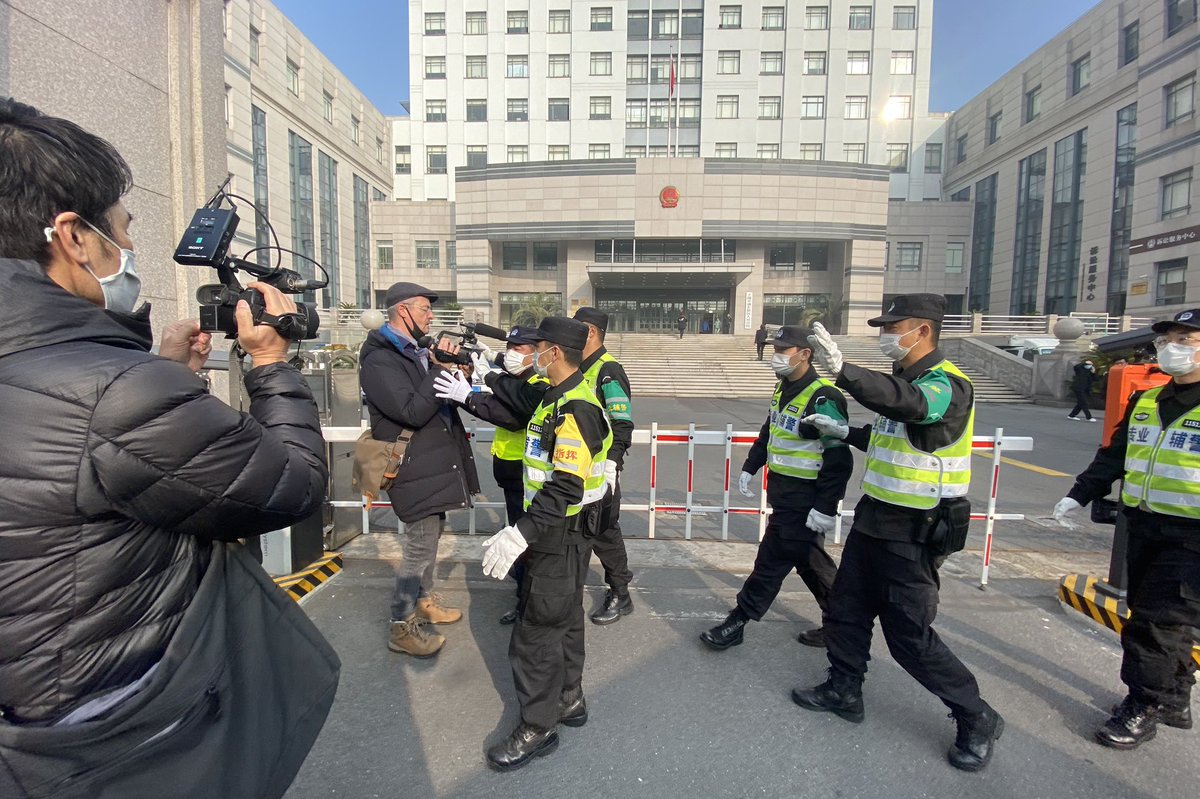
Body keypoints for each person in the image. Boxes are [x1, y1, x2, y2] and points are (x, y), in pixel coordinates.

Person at [0, 98, 332, 795]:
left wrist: (160, 373)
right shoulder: (114, 392)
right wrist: (270, 363)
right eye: (122, 231)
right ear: (72, 236)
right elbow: (293, 484)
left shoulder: (74, 378)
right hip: (122, 723)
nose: (127, 252)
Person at [798, 293, 1003, 773]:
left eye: (893, 327)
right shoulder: (907, 381)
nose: (886, 336)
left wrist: (845, 371)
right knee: (846, 611)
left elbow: (914, 408)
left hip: (916, 528)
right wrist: (845, 433)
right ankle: (844, 689)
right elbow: (894, 436)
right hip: (875, 518)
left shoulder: (947, 384)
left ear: (923, 330)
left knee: (909, 635)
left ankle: (976, 716)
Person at [441, 318, 612, 771]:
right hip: (562, 530)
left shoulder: (574, 407)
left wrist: (521, 533)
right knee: (565, 617)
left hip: (558, 532)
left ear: (553, 352)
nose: (529, 354)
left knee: (535, 632)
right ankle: (569, 698)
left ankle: (538, 726)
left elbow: (566, 486)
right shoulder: (556, 396)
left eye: (537, 347)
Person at [1053, 308, 1200, 751]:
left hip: (1194, 537)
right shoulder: (1148, 401)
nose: (1172, 348)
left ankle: (1143, 705)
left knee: (1155, 622)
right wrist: (1079, 494)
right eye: (1167, 340)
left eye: (1185, 339)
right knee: (1165, 619)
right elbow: (1115, 455)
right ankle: (1175, 698)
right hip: (1145, 525)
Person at [701, 326, 852, 651]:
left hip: (806, 497)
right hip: (783, 492)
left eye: (784, 350)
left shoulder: (823, 396)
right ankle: (843, 626)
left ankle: (738, 621)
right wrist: (751, 465)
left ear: (805, 354)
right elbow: (770, 430)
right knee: (811, 563)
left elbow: (839, 458)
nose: (776, 356)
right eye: (775, 349)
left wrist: (826, 506)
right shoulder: (782, 387)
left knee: (770, 562)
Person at [359, 281, 481, 659]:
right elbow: (410, 411)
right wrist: (438, 369)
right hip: (412, 466)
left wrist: (457, 374)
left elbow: (439, 399)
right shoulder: (380, 359)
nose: (431, 316)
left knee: (431, 535)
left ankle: (424, 601)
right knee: (419, 546)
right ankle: (401, 624)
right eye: (425, 309)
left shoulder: (414, 352)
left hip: (433, 463)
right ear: (403, 311)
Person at [478, 326, 547, 625]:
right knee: (516, 533)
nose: (511, 354)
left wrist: (469, 397)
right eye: (509, 348)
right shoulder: (517, 379)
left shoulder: (538, 383)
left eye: (518, 349)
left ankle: (527, 605)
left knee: (525, 539)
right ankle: (523, 596)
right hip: (510, 469)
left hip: (526, 473)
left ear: (536, 353)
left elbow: (514, 417)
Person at [574, 307, 637, 624]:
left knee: (603, 531)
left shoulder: (607, 370)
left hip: (600, 470)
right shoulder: (577, 367)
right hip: (574, 466)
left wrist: (613, 463)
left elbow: (622, 422)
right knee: (578, 529)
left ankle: (620, 594)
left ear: (590, 332)